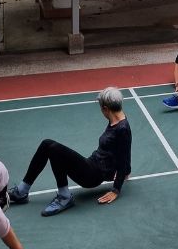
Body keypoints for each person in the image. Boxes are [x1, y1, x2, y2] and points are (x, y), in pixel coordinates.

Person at [8, 87, 132, 216]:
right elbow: (124, 151)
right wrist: (127, 171)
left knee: (54, 148)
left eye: (101, 108)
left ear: (106, 108)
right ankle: (22, 191)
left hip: (93, 175)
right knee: (48, 145)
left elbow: (124, 155)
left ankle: (64, 197)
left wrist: (116, 189)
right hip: (91, 163)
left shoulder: (122, 128)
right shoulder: (115, 120)